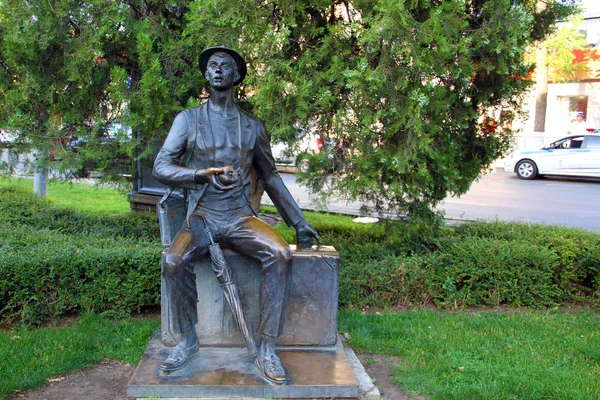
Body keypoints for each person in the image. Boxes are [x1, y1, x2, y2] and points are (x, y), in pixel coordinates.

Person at [152, 45, 320, 384]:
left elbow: (270, 176)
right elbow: (161, 166)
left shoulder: (252, 126)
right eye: (212, 66)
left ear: (237, 76)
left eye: (224, 66)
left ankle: (267, 345)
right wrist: (200, 174)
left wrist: (299, 222)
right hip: (202, 216)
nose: (217, 70)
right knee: (173, 261)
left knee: (280, 254)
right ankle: (187, 340)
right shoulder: (188, 120)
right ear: (205, 75)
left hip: (240, 216)